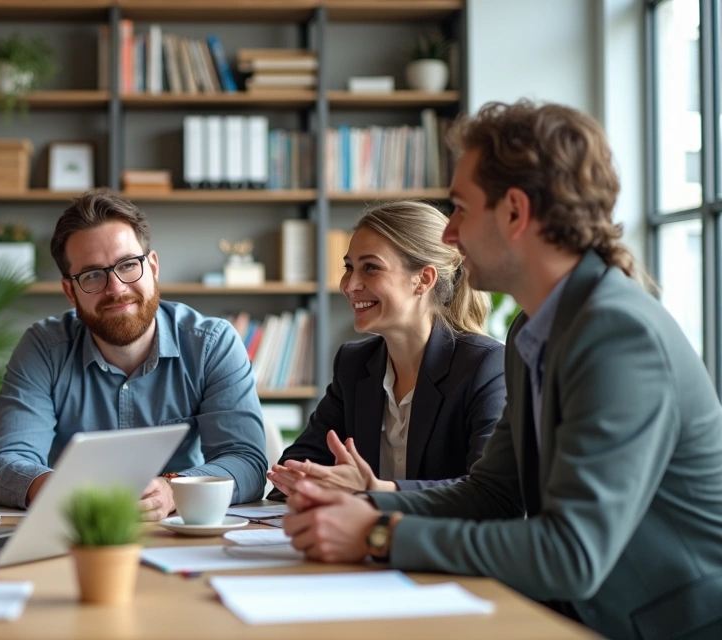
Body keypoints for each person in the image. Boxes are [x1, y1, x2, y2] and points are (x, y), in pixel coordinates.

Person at [282, 100, 722, 640]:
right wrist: (361, 503)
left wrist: (379, 533)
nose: (449, 234)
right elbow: (492, 494)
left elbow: (573, 554)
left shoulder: (617, 335)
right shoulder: (532, 330)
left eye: (461, 209)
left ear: (515, 212)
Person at [0, 190, 268, 519]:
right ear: (70, 292)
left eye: (128, 265)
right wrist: (63, 488)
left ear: (153, 267)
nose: (116, 288)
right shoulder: (43, 349)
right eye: (92, 275)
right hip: (81, 529)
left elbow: (246, 461)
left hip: (180, 529)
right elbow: (6, 463)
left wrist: (173, 488)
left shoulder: (212, 344)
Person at [267, 201, 502, 500]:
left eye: (371, 268)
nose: (350, 285)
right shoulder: (354, 363)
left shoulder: (486, 366)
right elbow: (296, 467)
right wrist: (306, 481)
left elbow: (490, 492)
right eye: (349, 267)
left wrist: (377, 492)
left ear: (423, 279)